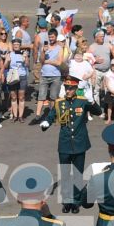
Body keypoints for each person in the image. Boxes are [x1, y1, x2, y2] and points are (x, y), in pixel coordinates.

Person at [35, 71, 100, 213]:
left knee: (77, 174)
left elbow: (99, 111)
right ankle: (66, 201)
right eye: (67, 87)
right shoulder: (60, 103)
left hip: (79, 143)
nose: (69, 90)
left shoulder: (82, 101)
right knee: (65, 174)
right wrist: (46, 122)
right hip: (64, 143)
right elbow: (52, 116)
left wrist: (92, 101)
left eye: (71, 88)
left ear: (76, 89)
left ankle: (76, 202)